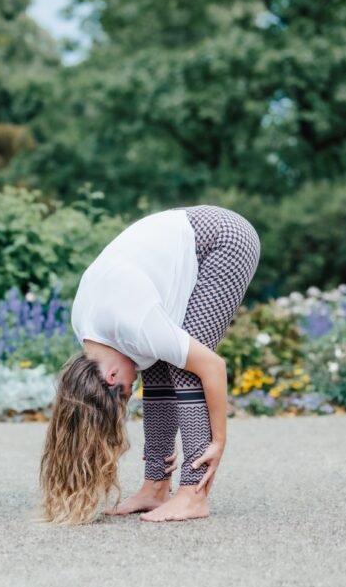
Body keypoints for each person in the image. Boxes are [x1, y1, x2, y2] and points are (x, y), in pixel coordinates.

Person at [40, 205, 259, 524]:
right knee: (158, 360)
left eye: (127, 393)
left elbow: (212, 367)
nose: (133, 393)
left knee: (186, 369)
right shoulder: (90, 331)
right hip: (185, 241)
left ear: (111, 376)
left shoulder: (134, 323)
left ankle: (193, 496)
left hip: (223, 239)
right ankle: (155, 487)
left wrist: (218, 441)